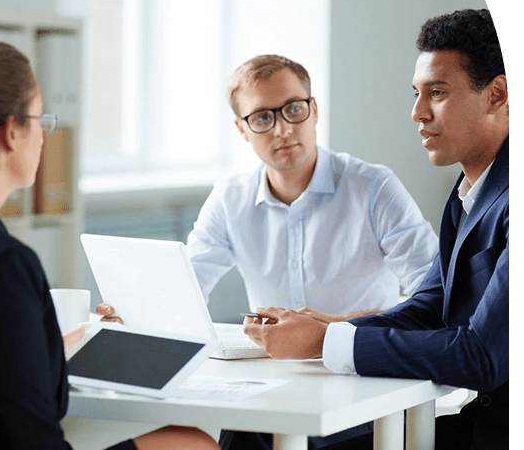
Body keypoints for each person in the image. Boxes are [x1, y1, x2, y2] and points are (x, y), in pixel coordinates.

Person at [0, 37, 219, 450]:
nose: (44, 136)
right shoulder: (1, 260)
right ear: (11, 132)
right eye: (40, 119)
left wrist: (48, 350)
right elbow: (35, 434)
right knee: (193, 442)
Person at [244, 9, 509, 450]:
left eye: (437, 93)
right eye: (417, 93)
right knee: (262, 433)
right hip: (476, 425)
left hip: (499, 434)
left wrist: (327, 339)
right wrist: (321, 330)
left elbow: (482, 357)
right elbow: (427, 308)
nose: (417, 112)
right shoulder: (469, 194)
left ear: (498, 94)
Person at [186, 54, 438, 320]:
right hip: (271, 361)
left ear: (314, 110)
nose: (282, 130)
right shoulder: (229, 200)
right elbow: (185, 288)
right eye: (262, 118)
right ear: (242, 129)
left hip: (364, 357)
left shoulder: (374, 188)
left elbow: (436, 296)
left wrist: (327, 331)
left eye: (293, 109)